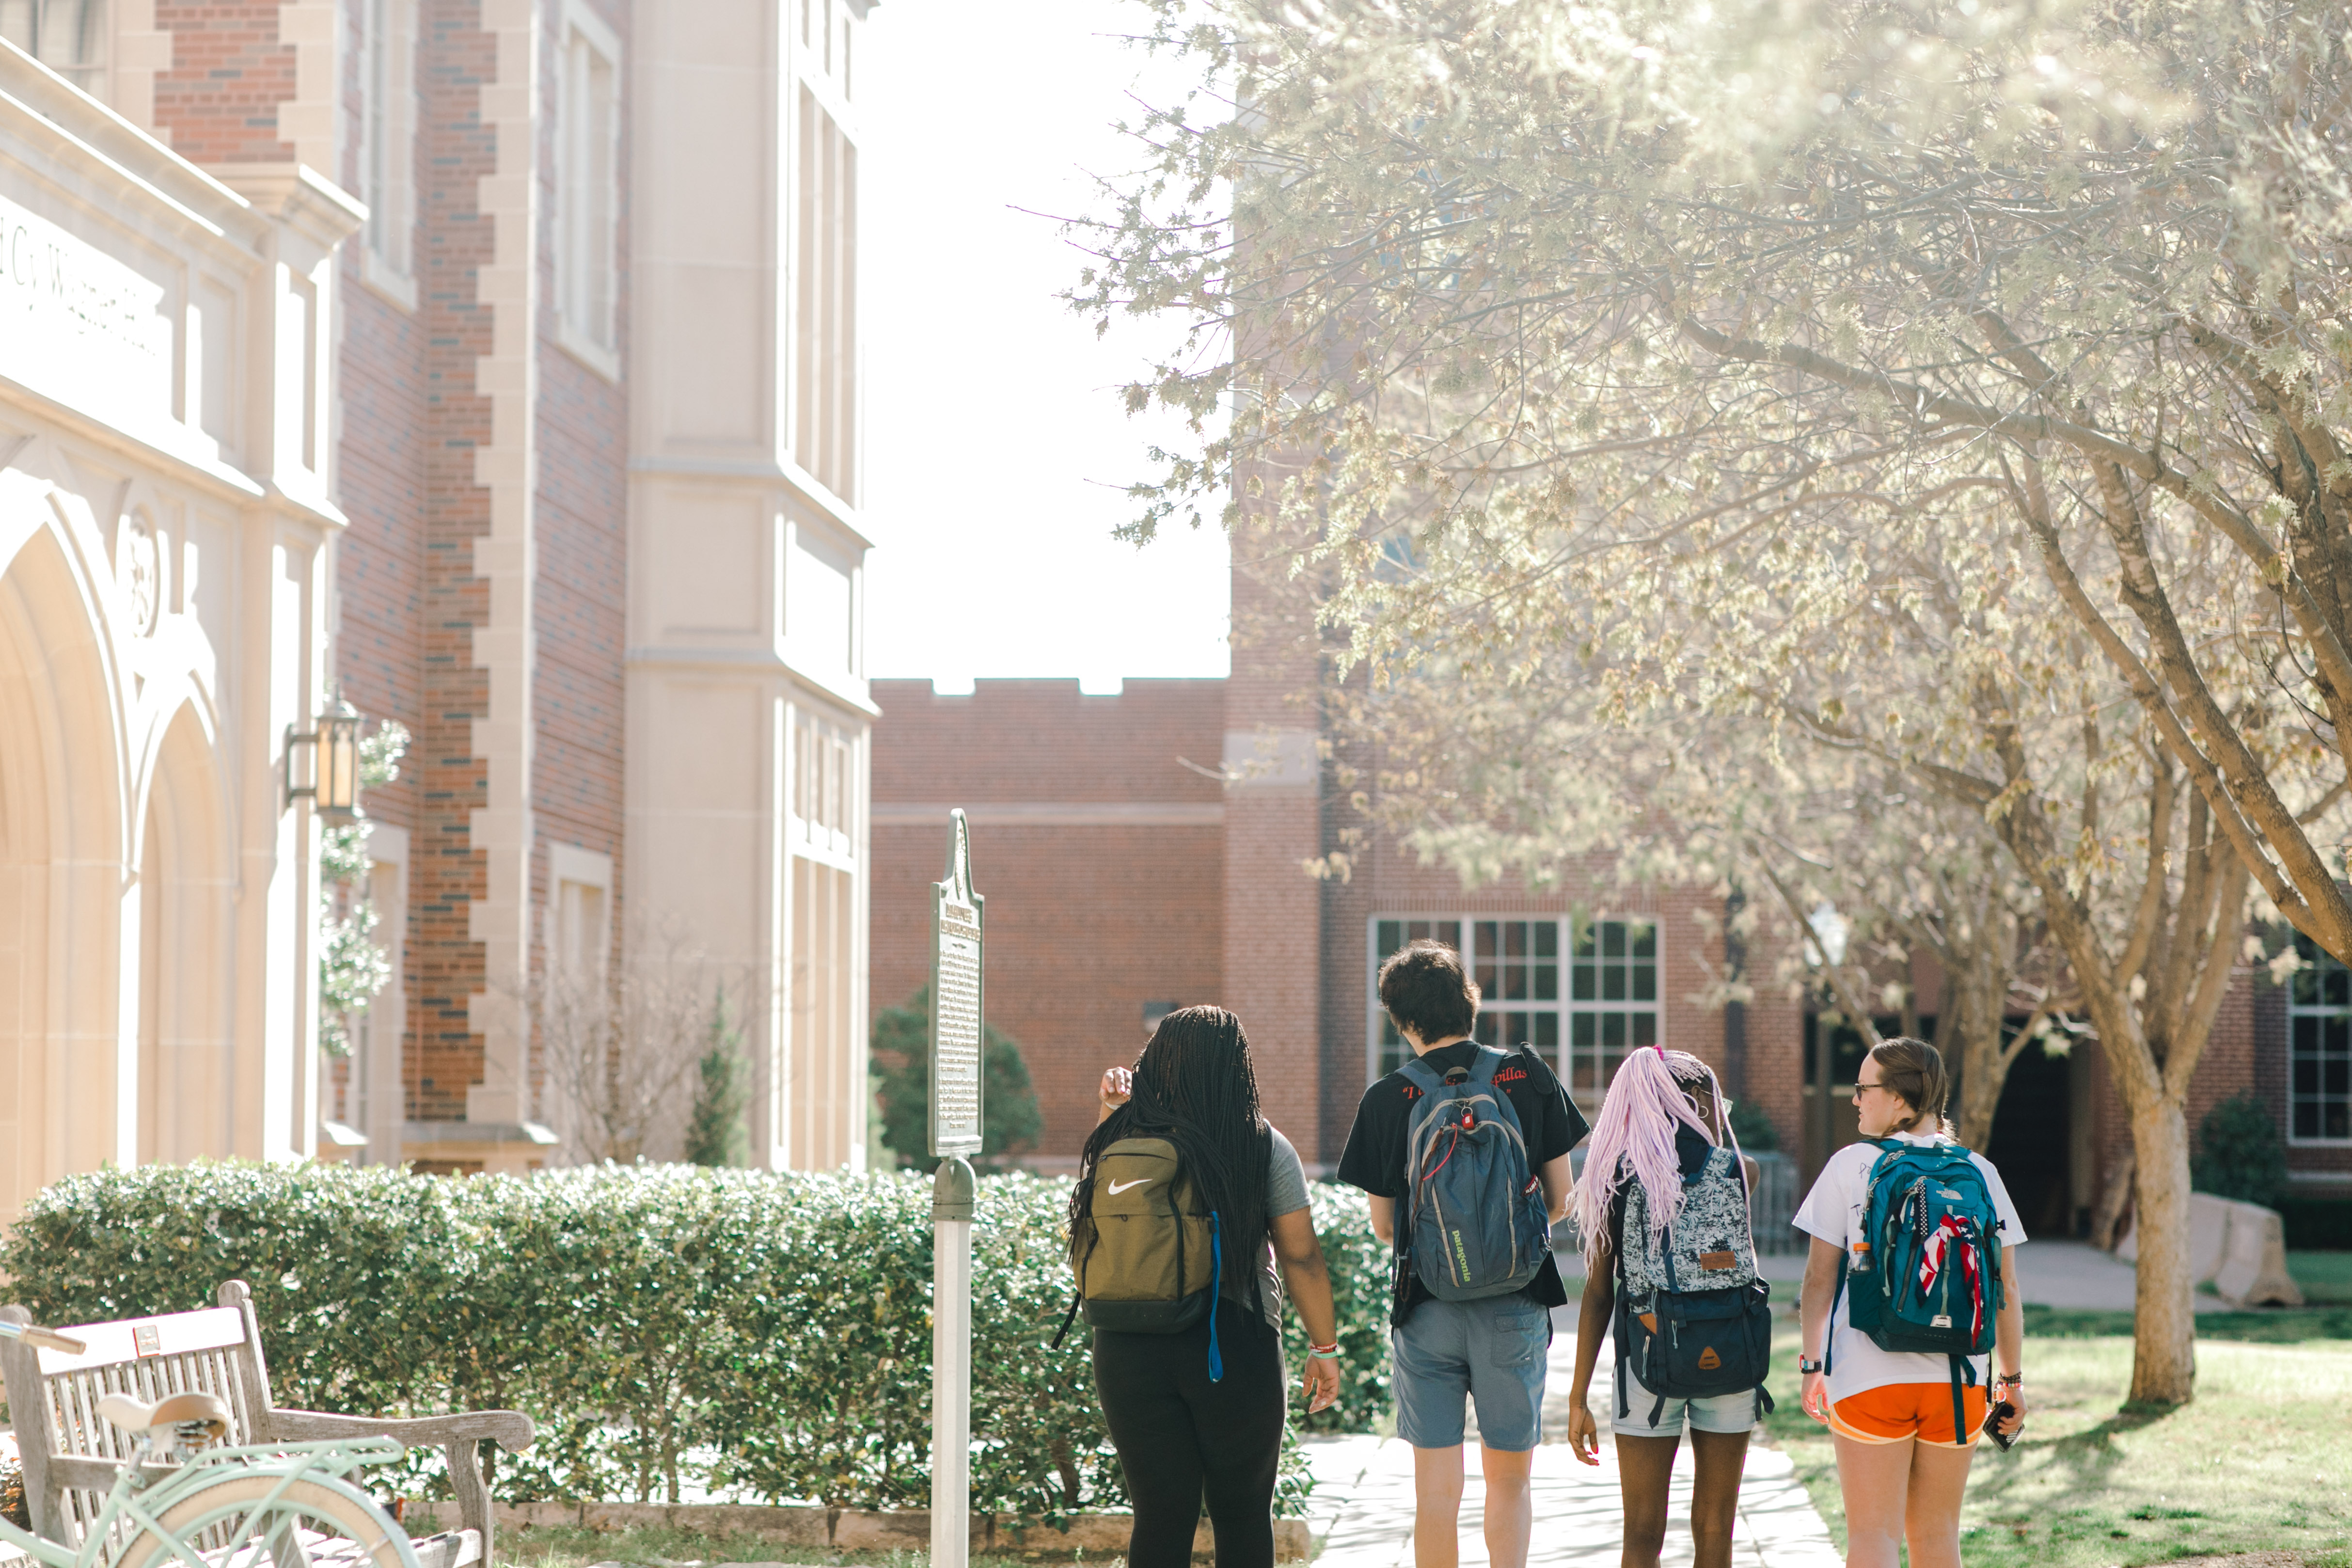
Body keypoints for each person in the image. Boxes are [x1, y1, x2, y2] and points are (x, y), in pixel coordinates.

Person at [1336, 939, 1585, 1568]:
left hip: (1427, 1308)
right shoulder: (1525, 1075)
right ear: (1468, 1000)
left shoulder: (1387, 1097)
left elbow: (1386, 1226)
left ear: (1399, 1018)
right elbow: (1561, 1200)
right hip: (1515, 1300)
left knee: (1435, 1494)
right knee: (1509, 1481)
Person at [1080, 1005, 1342, 1568]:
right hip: (1231, 1344)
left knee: (1159, 1512)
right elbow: (1300, 1255)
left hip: (1125, 1345)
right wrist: (1323, 1348)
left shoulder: (1118, 1135)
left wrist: (1108, 1112)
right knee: (1242, 1511)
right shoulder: (1259, 1143)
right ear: (1236, 1066)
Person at [1793, 1038, 2027, 1568]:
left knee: (1873, 1538)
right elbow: (2006, 1289)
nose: (1854, 1100)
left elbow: (1817, 1280)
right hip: (1958, 1380)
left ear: (1900, 1098)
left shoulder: (1848, 1165)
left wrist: (1811, 1364)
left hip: (1868, 1374)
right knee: (1938, 1536)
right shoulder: (1980, 1171)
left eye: (1862, 1089)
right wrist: (2009, 1383)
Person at [1563, 1046, 1765, 1568]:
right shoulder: (1742, 1171)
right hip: (1731, 1361)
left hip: (1645, 1368)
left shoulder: (1618, 1180)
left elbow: (1599, 1293)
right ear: (1697, 1101)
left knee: (1642, 1533)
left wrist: (1577, 1396)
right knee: (1716, 1526)